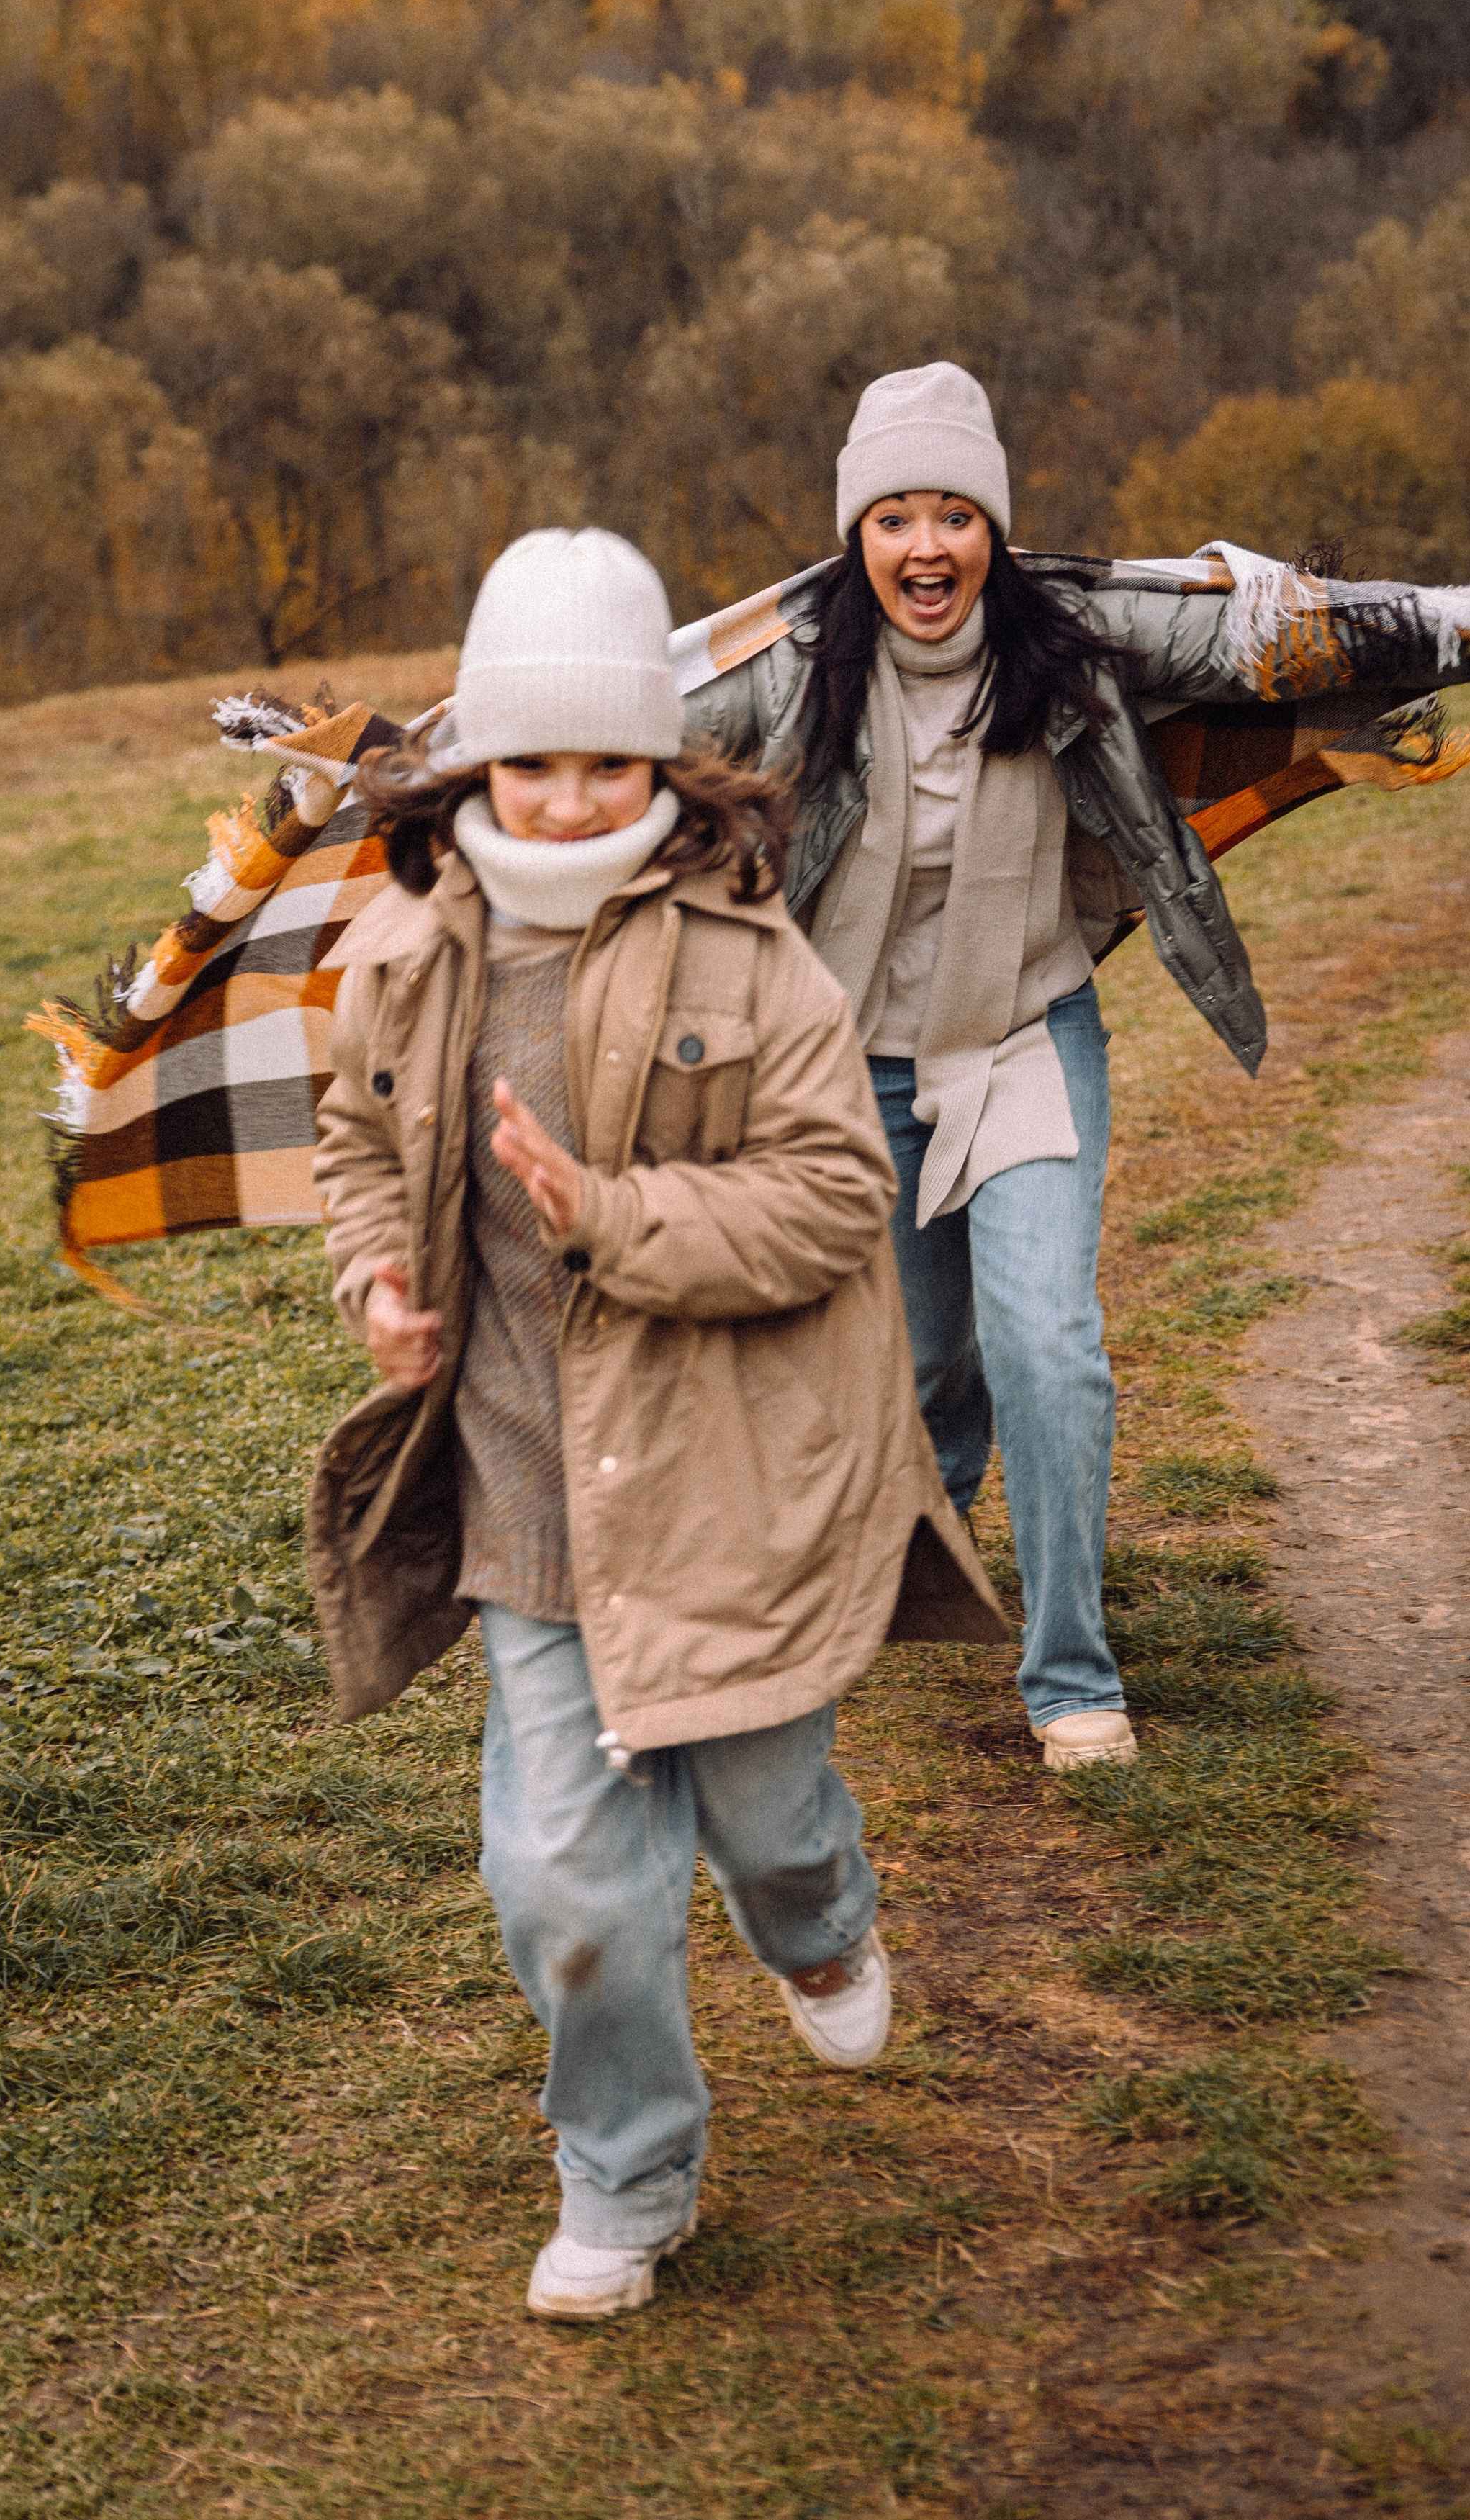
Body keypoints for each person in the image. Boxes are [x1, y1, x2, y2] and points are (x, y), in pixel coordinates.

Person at [304, 527, 1008, 2320]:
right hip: (530, 1494)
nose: (557, 800)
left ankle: (821, 1912)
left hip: (733, 1483)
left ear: (660, 766)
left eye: (599, 761)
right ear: (471, 764)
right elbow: (357, 1139)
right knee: (568, 1883)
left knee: (764, 1814)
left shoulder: (748, 956)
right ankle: (625, 2178)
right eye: (524, 762)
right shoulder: (401, 946)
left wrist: (602, 1211)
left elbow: (834, 1199)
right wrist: (380, 1277)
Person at [682, 359, 1470, 1773]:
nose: (923, 546)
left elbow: (1265, 639)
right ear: (854, 536)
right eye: (892, 518)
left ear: (991, 528)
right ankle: (894, 1556)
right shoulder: (791, 655)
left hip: (1023, 1035)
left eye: (953, 513)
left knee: (1045, 1348)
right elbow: (592, 744)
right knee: (932, 1366)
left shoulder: (1064, 631)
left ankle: (1068, 1672)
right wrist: (396, 770)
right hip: (847, 1067)